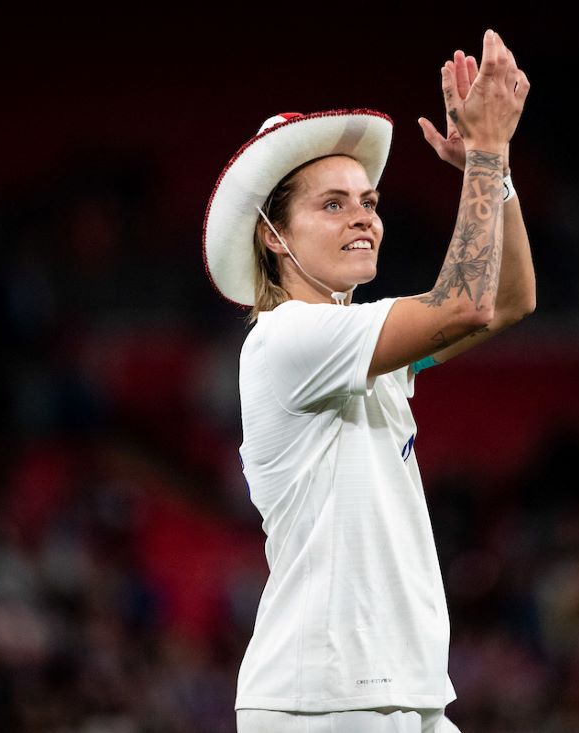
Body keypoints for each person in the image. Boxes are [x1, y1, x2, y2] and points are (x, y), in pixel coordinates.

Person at [202, 29, 532, 733]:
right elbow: (469, 301)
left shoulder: (356, 345)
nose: (362, 217)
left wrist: (494, 168)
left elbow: (509, 300)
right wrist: (481, 151)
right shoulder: (289, 338)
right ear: (272, 235)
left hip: (397, 693)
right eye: (332, 204)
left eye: (369, 201)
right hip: (325, 699)